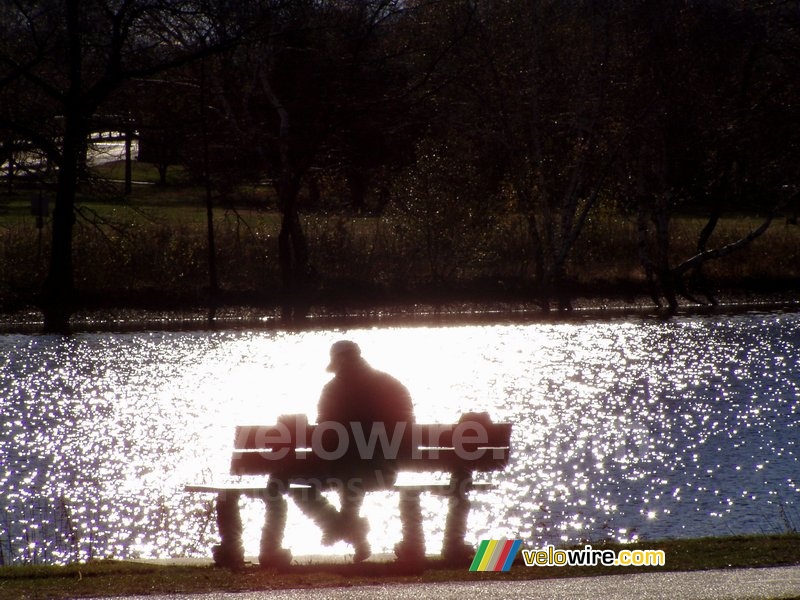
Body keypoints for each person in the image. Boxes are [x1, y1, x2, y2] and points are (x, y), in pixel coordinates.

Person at [291, 340, 415, 562]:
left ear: (338, 361)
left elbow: (323, 436)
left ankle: (343, 528)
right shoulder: (391, 384)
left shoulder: (332, 390)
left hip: (344, 471)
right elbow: (408, 428)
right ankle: (351, 531)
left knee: (300, 485)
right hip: (385, 471)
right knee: (352, 475)